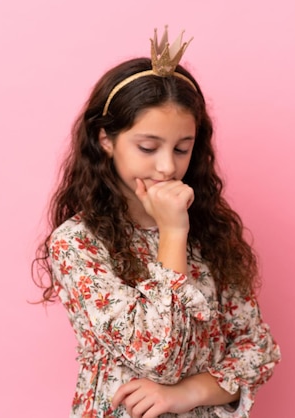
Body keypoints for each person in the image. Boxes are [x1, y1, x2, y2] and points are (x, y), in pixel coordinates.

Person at [33, 27, 281, 418]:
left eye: (182, 148)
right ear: (105, 140)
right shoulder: (77, 243)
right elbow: (156, 356)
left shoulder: (210, 232)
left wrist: (188, 393)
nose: (167, 167)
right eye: (148, 148)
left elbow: (257, 350)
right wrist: (172, 233)